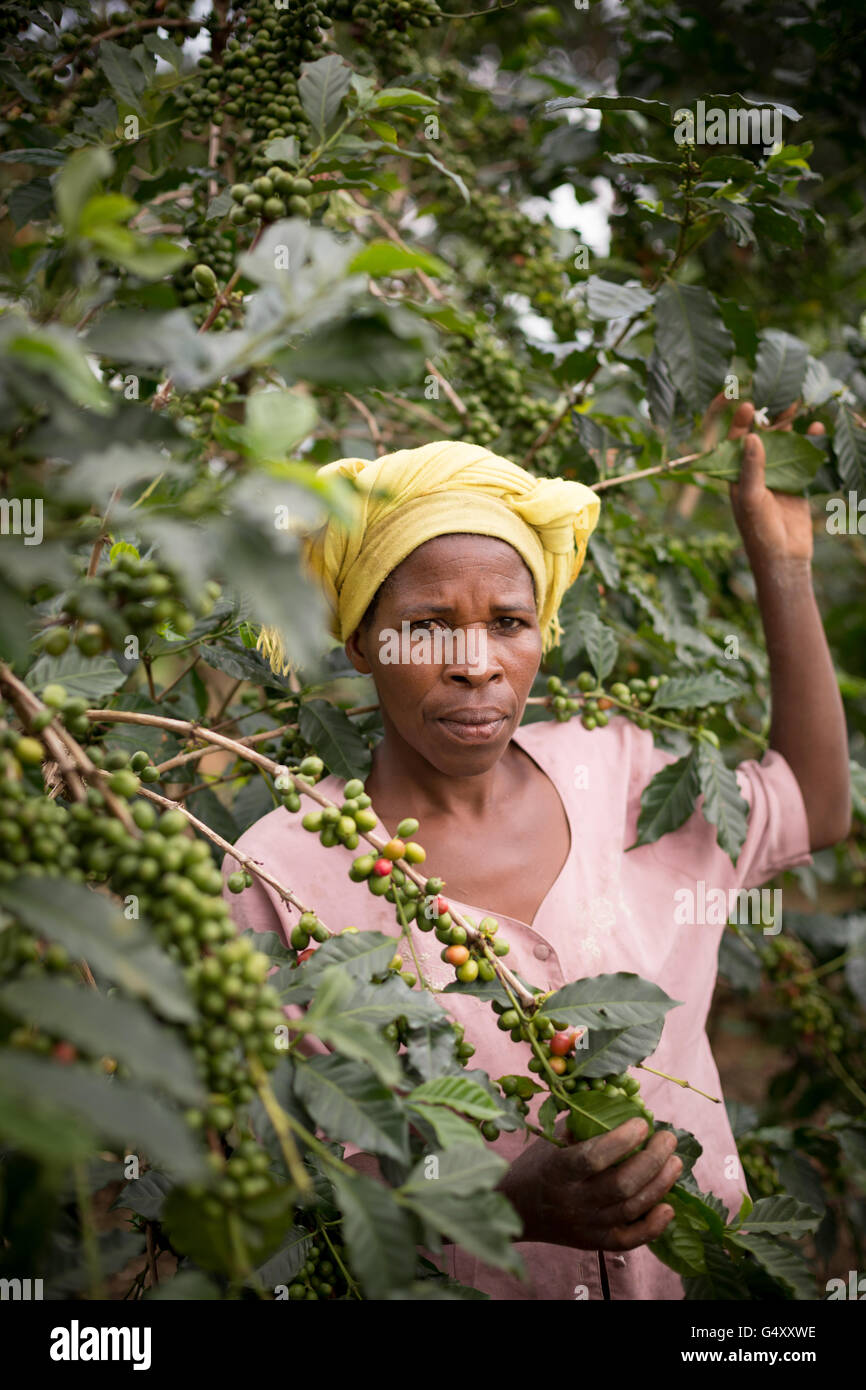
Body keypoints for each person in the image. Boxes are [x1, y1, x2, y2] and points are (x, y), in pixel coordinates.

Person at [222, 408, 850, 1300]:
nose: (476, 663)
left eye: (510, 622)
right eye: (429, 626)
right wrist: (506, 1204)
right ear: (362, 642)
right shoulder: (281, 875)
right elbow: (272, 1187)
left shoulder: (625, 772)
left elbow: (813, 806)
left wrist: (782, 560)